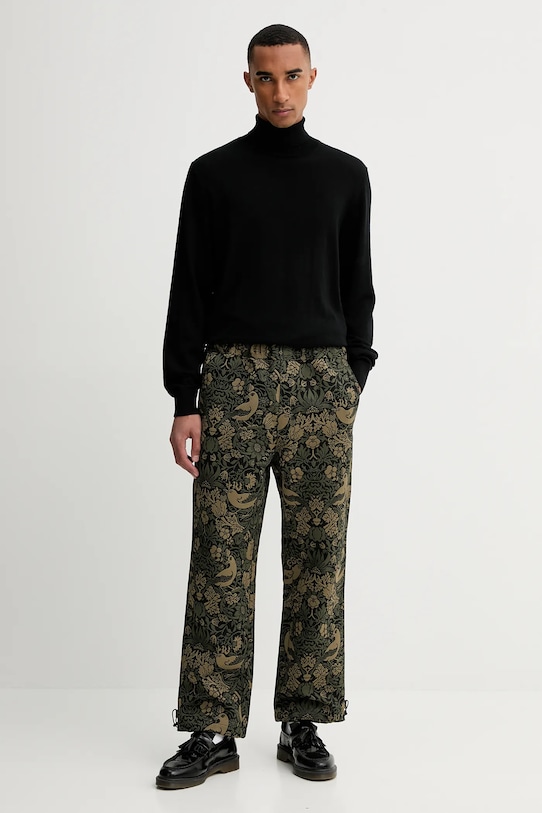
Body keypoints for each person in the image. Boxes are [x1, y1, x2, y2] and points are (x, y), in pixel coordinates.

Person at [156, 23, 378, 789]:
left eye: (292, 75)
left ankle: (303, 719)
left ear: (313, 77)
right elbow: (188, 286)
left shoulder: (346, 176)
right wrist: (184, 396)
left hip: (322, 383)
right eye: (265, 77)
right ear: (247, 81)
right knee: (220, 555)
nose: (280, 91)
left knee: (318, 555)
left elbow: (358, 287)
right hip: (235, 383)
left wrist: (350, 378)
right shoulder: (213, 175)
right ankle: (212, 727)